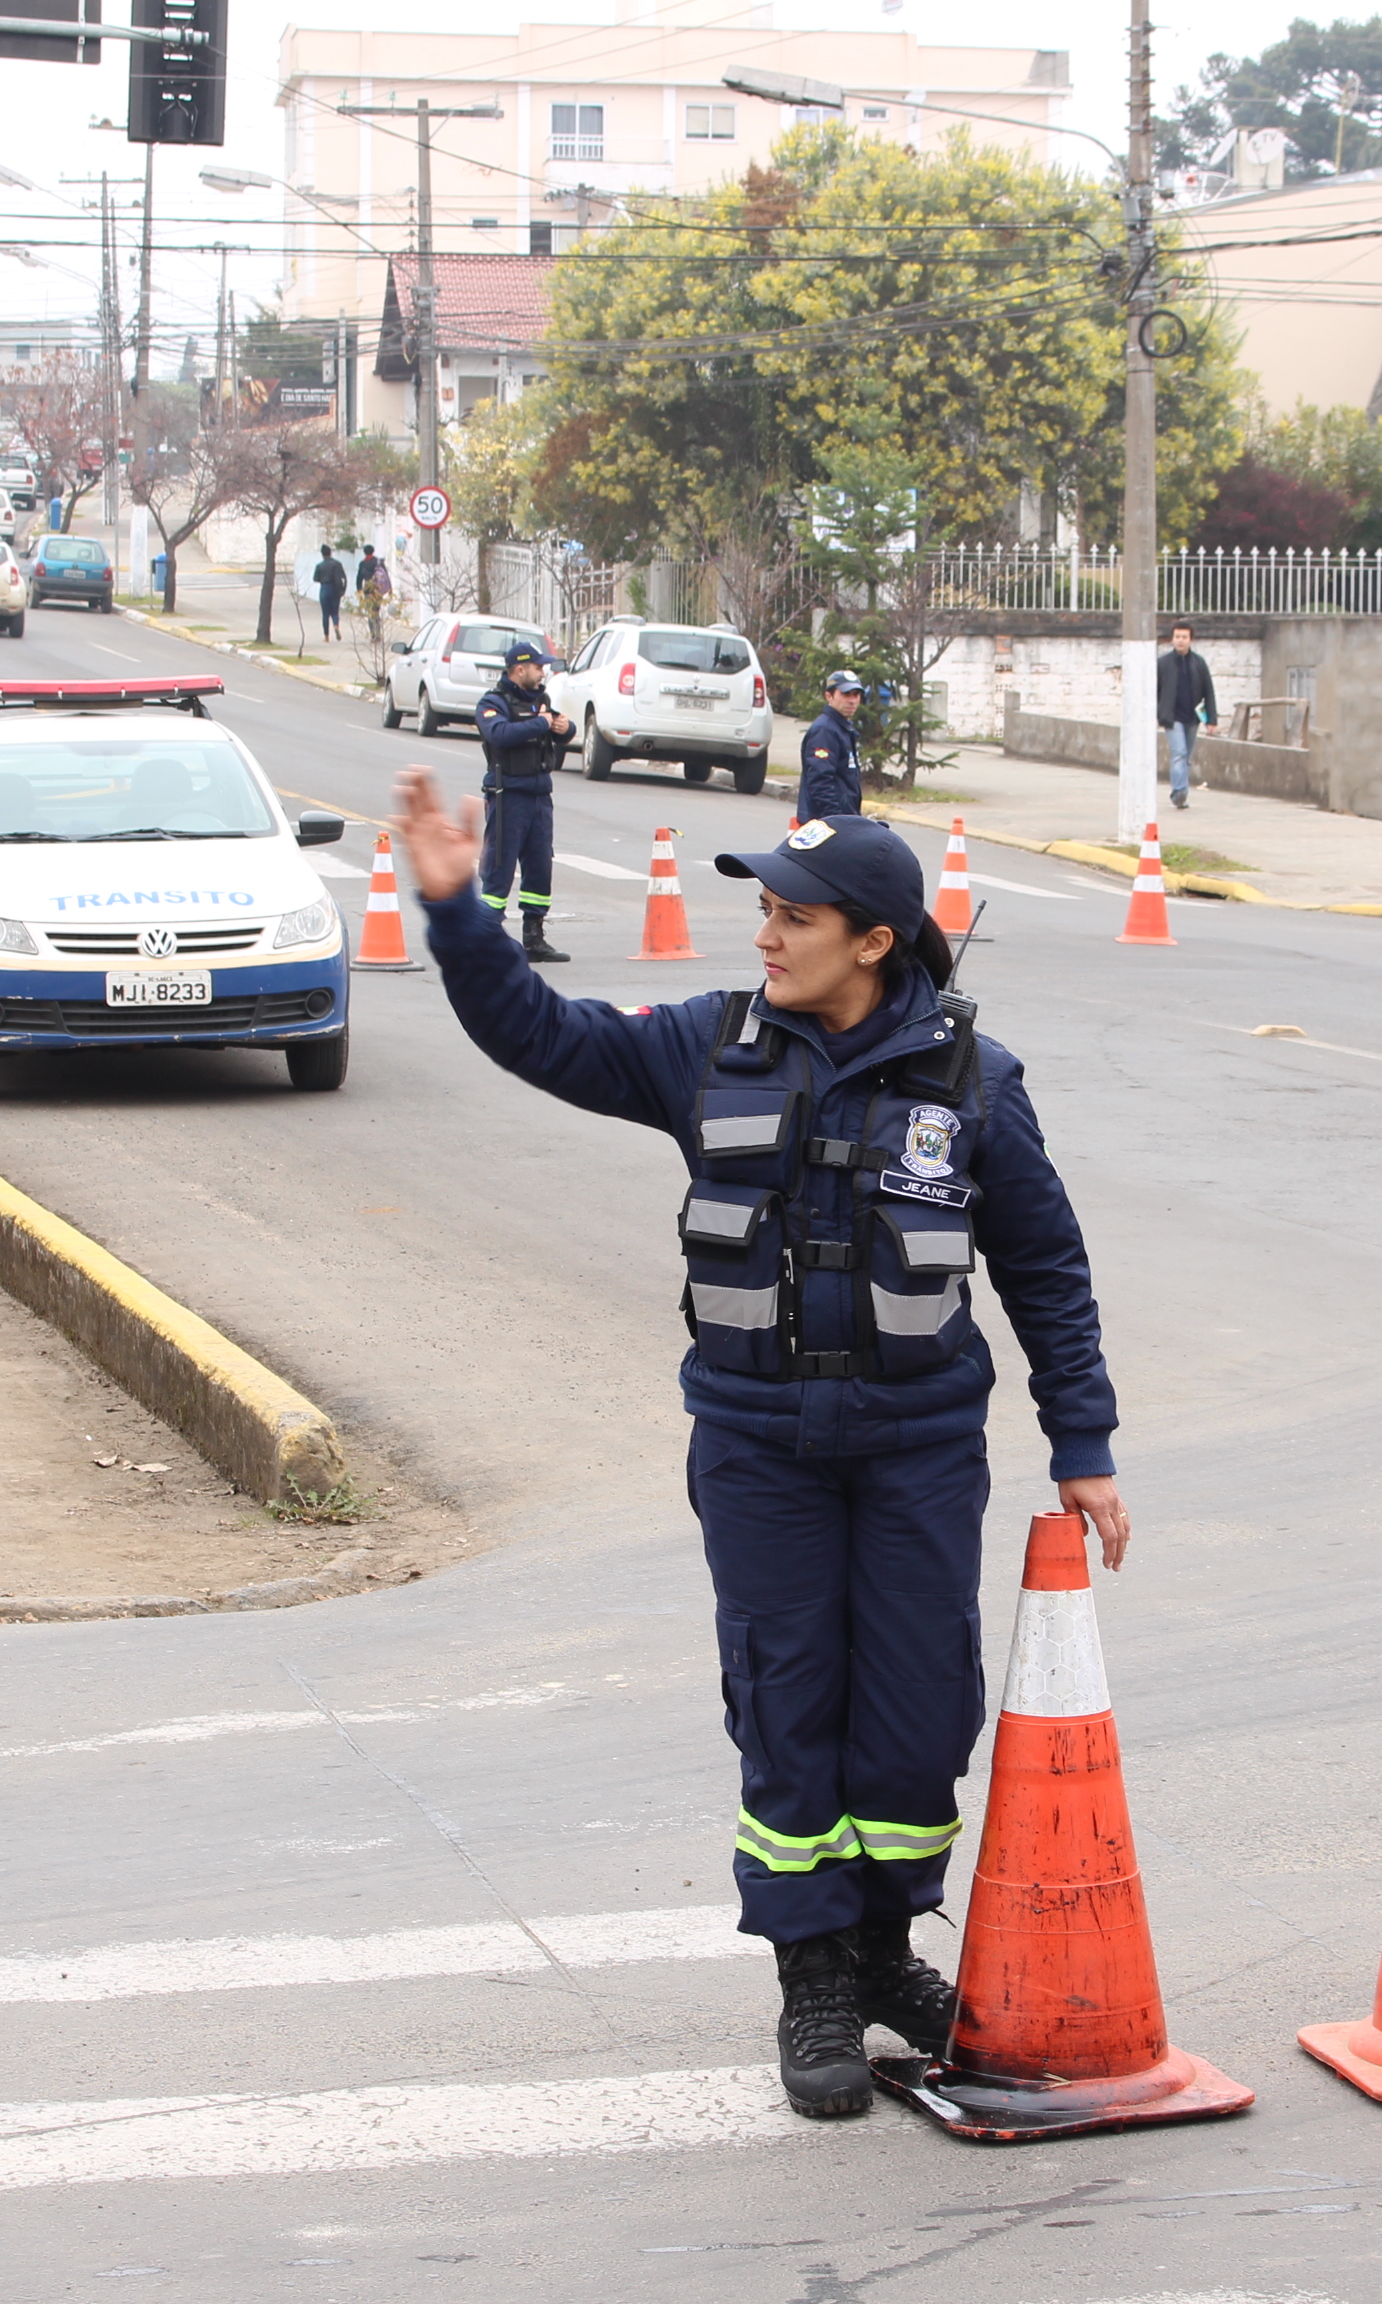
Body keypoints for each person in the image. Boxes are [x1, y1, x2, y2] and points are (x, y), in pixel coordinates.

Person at [389, 778, 1131, 2119]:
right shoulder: (704, 1045)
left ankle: (885, 1948)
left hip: (917, 1448)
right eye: (765, 911)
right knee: (790, 1701)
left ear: (874, 942)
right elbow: (542, 1038)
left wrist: (1084, 1441)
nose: (767, 937)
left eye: (794, 917)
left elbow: (1045, 1268)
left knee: (916, 1713)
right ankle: (814, 1977)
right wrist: (458, 914)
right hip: (758, 1449)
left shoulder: (972, 1083)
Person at [473, 637, 573, 962]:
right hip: (508, 796)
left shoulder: (540, 700)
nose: (543, 671)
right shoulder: (494, 701)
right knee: (499, 868)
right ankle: (487, 940)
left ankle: (534, 939)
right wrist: (540, 723)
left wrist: (563, 727)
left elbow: (561, 732)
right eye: (538, 666)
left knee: (540, 867)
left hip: (540, 796)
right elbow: (498, 734)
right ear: (519, 669)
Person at [1155, 619, 1216, 811]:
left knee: (1187, 756)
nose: (1180, 641)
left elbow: (1209, 692)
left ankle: (1181, 793)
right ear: (1172, 639)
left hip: (1193, 717)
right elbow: (1154, 691)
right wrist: (1157, 714)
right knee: (1179, 753)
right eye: (1177, 637)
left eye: (1184, 637)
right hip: (1172, 718)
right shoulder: (1163, 664)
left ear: (1191, 639)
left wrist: (1211, 720)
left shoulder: (1198, 663)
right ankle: (1179, 792)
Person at [798, 669, 866, 823]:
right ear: (829, 696)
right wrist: (837, 820)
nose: (852, 700)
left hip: (843, 820)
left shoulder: (843, 729)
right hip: (825, 825)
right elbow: (820, 782)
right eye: (846, 694)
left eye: (856, 695)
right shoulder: (825, 731)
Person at [311, 545, 348, 643]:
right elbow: (343, 578)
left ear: (322, 554)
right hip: (335, 589)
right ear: (331, 553)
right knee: (335, 612)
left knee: (325, 614)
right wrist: (343, 590)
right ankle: (336, 625)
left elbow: (315, 578)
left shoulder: (319, 566)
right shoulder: (337, 564)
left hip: (325, 588)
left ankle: (326, 636)